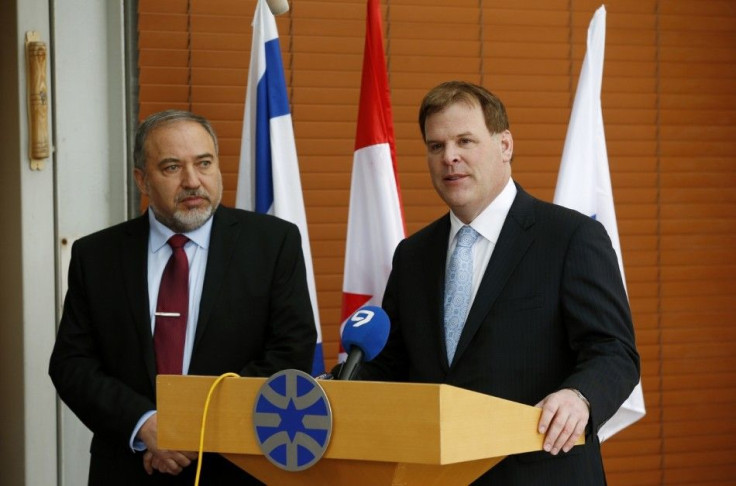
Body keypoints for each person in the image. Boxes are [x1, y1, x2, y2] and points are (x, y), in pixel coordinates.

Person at [356, 81, 640, 484]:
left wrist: (580, 397)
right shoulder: (413, 255)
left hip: (541, 473)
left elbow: (614, 352)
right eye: (436, 146)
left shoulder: (569, 238)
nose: (449, 157)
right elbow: (392, 365)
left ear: (504, 145)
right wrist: (337, 387)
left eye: (465, 141)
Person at [49, 110, 317, 485]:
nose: (193, 181)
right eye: (172, 167)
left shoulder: (273, 244)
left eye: (204, 163)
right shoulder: (97, 256)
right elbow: (72, 363)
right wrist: (144, 425)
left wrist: (191, 429)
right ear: (142, 180)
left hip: (236, 468)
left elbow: (291, 353)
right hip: (128, 468)